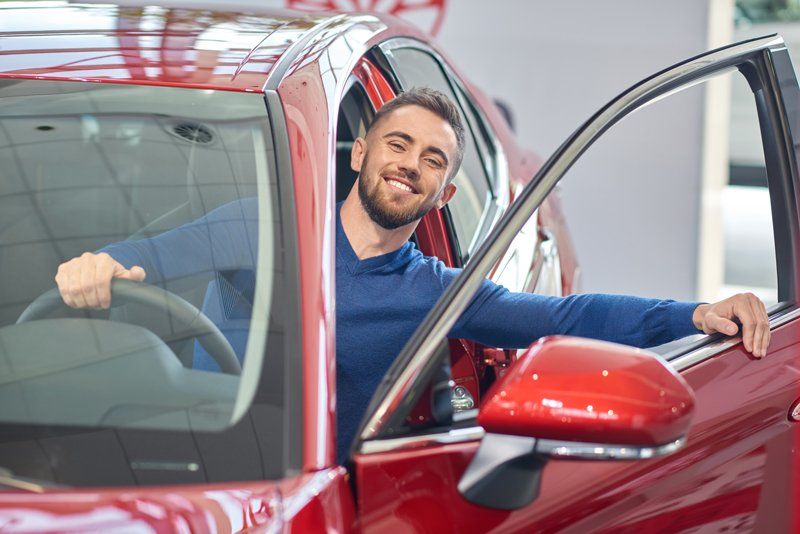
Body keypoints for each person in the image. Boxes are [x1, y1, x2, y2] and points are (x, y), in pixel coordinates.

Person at [54, 88, 771, 461]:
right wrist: (97, 268)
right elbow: (138, 259)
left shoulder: (437, 291)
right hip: (192, 461)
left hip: (322, 497)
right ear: (361, 151)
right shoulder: (256, 223)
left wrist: (695, 313)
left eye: (432, 161)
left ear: (444, 194)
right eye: (398, 144)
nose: (410, 164)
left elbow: (566, 319)